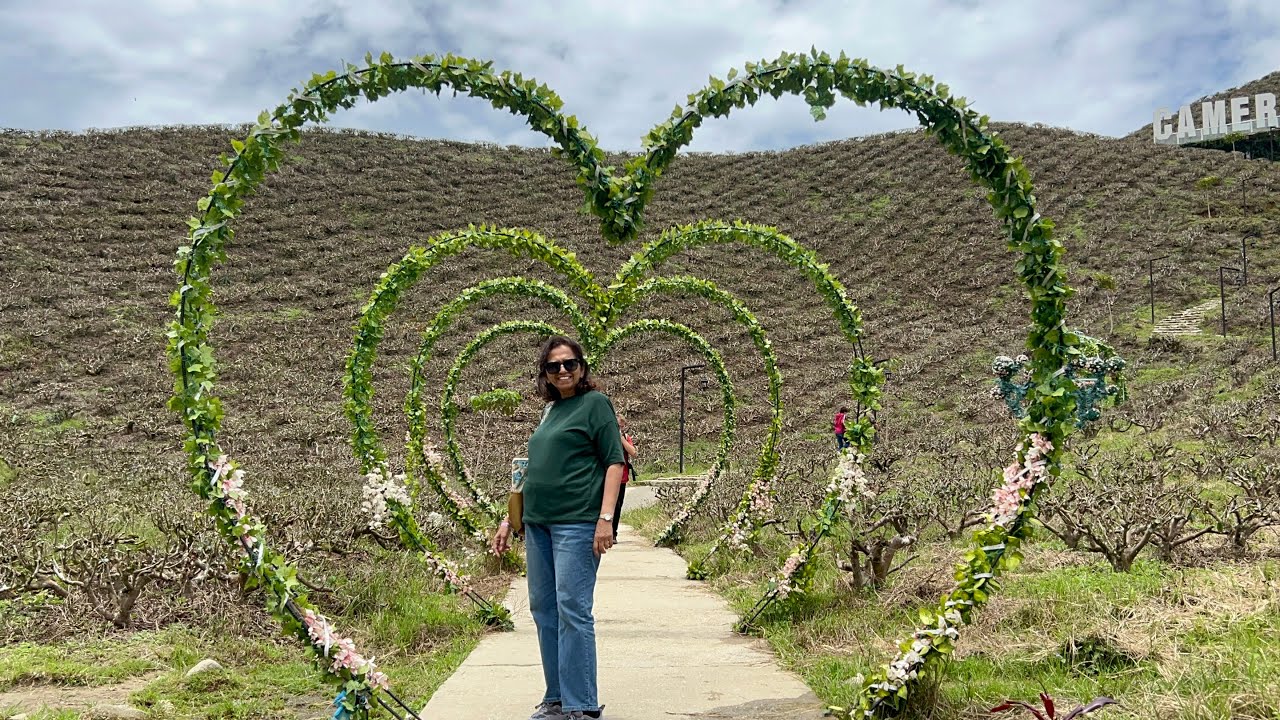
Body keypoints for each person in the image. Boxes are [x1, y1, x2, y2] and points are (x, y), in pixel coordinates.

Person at [492, 336, 625, 720]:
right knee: (545, 610)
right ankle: (555, 698)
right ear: (545, 374)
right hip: (538, 524)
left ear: (581, 367)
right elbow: (529, 469)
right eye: (554, 367)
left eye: (569, 364)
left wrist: (604, 519)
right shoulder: (550, 411)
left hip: (577, 522)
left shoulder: (595, 405)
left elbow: (613, 462)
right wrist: (508, 519)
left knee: (573, 609)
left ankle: (581, 703)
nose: (562, 371)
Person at [612, 416, 638, 542]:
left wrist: (622, 439)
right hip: (606, 477)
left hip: (622, 477)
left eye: (621, 426)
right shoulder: (607, 437)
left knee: (618, 506)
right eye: (617, 426)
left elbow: (633, 452)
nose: (619, 429)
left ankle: (613, 533)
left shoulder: (626, 438)